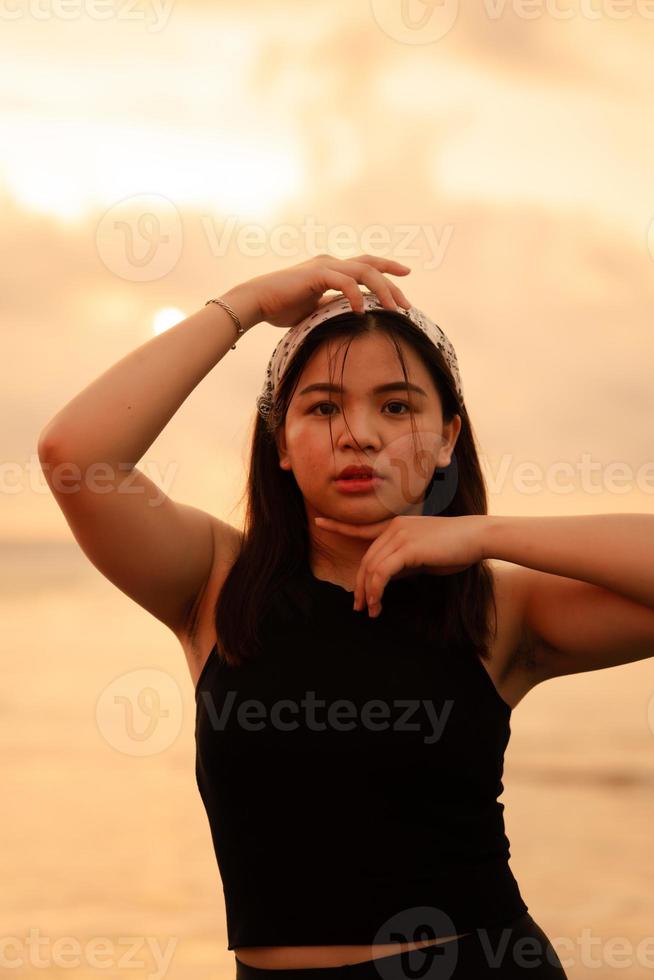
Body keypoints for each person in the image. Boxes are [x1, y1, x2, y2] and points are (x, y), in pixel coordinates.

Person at [38, 255, 570, 979]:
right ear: (281, 443)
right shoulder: (216, 584)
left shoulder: (499, 607)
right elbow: (75, 456)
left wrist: (487, 534)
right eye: (322, 407)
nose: (359, 434)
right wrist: (247, 303)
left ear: (447, 438)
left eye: (397, 405)